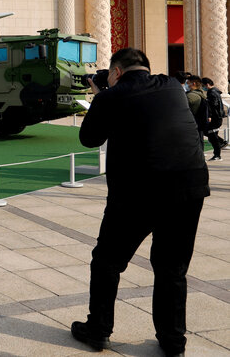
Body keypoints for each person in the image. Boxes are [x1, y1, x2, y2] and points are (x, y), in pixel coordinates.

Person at [73, 48, 209, 357]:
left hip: (138, 192)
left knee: (107, 261)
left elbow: (89, 138)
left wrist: (100, 95)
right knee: (172, 268)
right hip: (190, 186)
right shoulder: (173, 86)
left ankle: (98, 330)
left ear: (117, 72)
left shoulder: (111, 96)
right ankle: (173, 342)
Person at [201, 77, 228, 161]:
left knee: (211, 135)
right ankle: (221, 144)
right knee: (212, 135)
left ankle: (217, 154)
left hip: (215, 118)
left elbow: (213, 106)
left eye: (203, 86)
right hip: (218, 117)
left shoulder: (212, 93)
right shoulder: (216, 91)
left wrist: (209, 116)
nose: (203, 87)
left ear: (207, 85)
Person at [185, 75, 210, 142]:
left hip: (191, 123)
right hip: (199, 124)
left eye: (187, 83)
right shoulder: (201, 93)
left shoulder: (190, 96)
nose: (186, 85)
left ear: (193, 83)